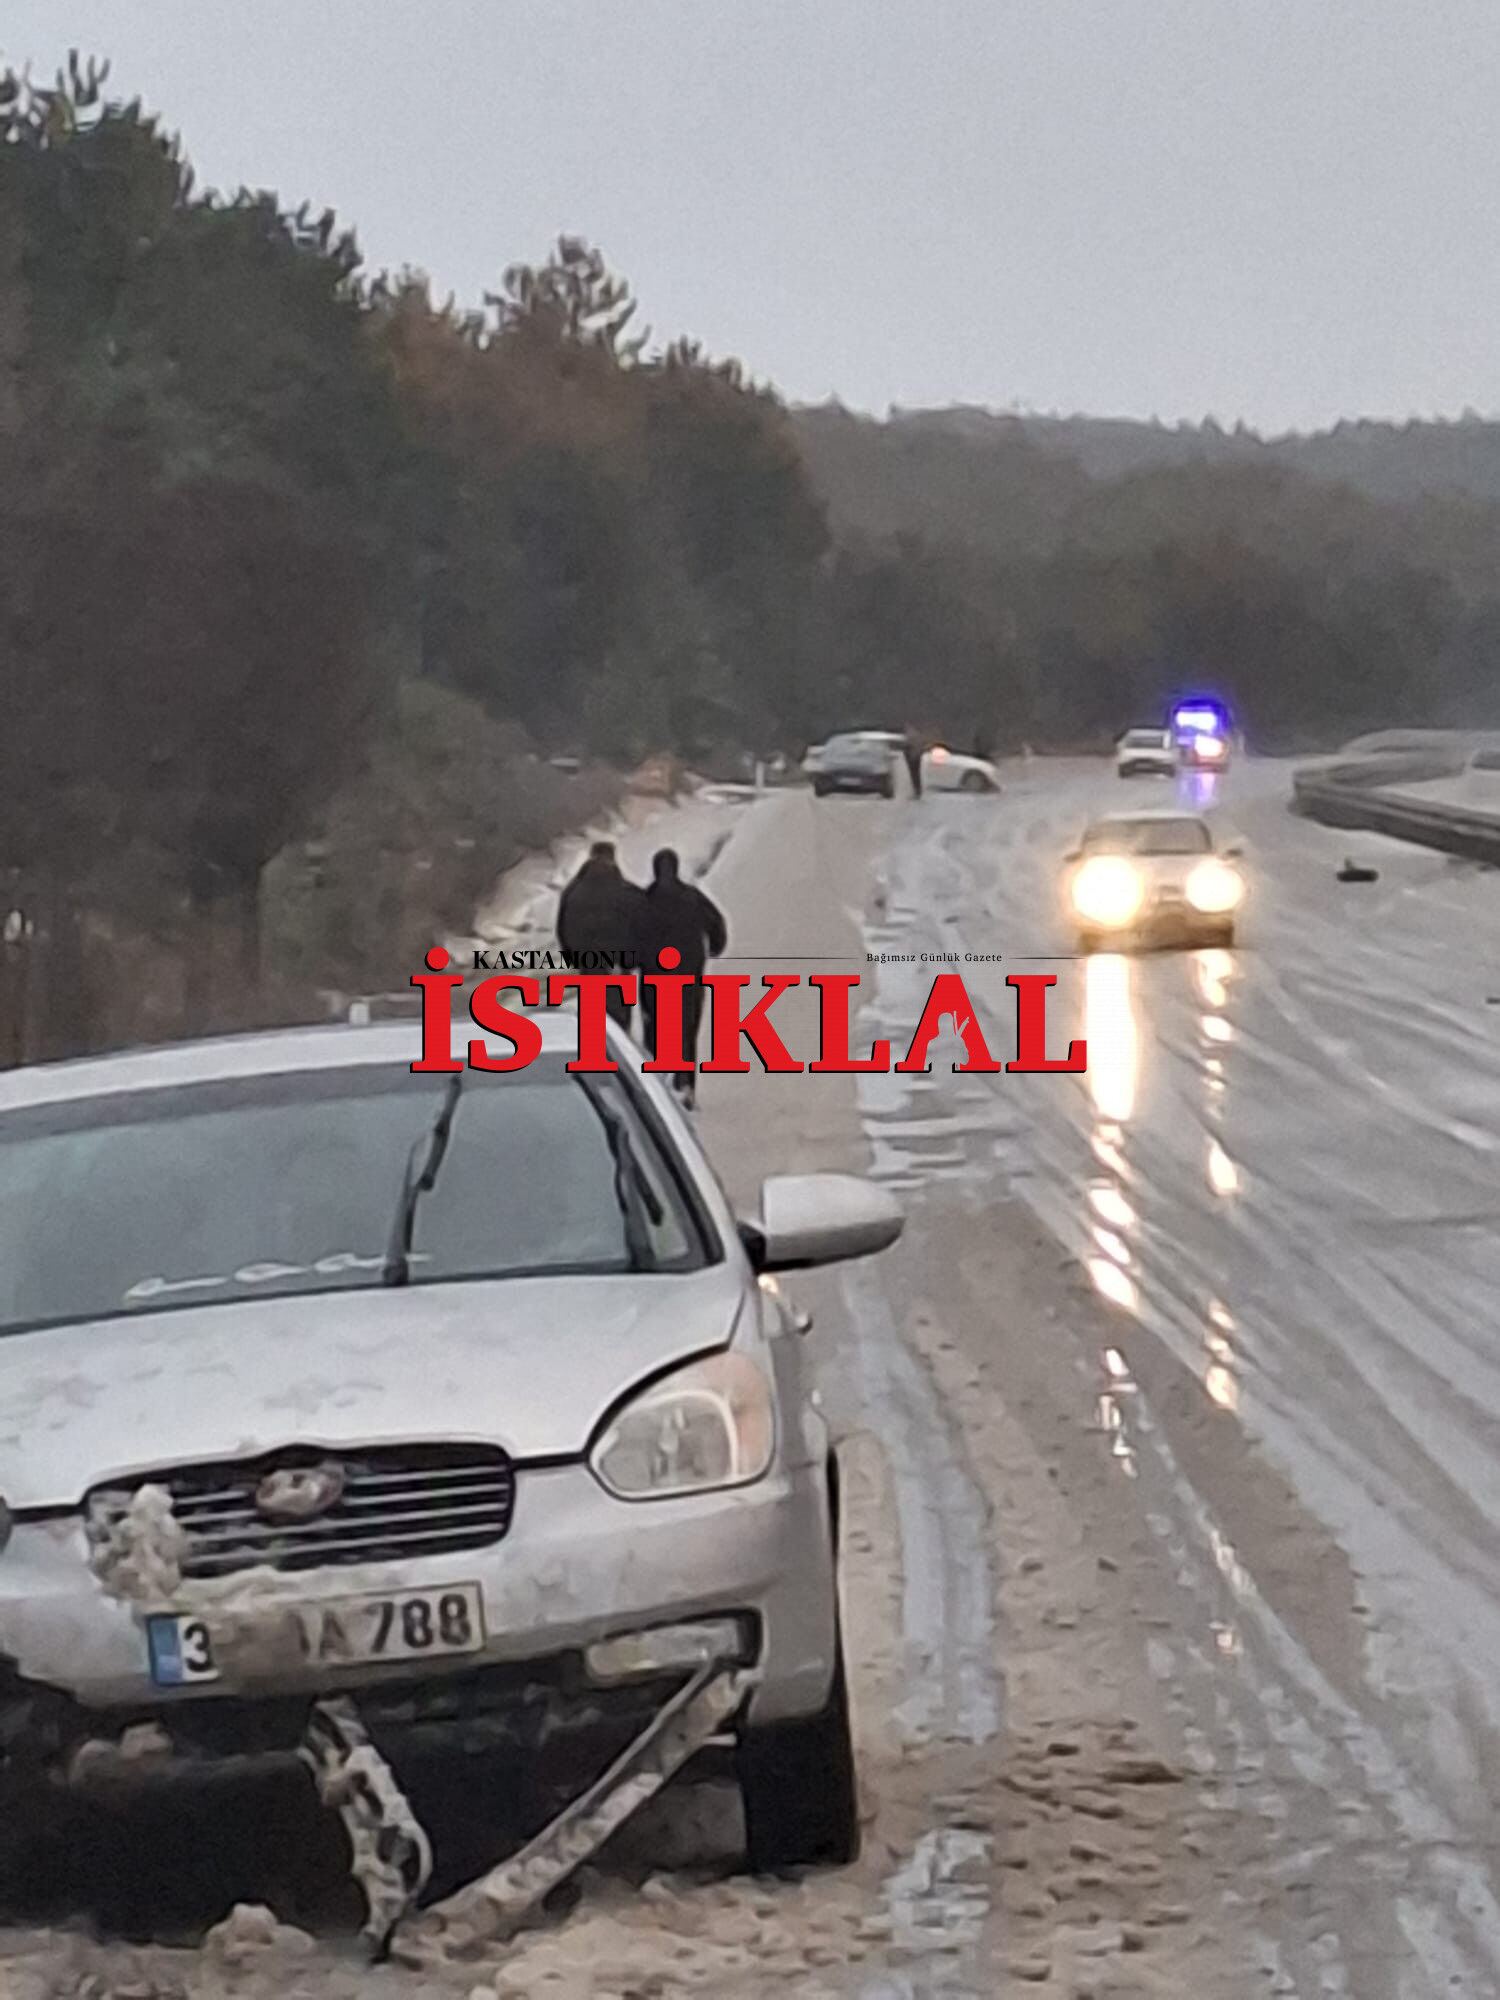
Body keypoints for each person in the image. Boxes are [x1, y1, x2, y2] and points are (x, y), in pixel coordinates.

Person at [641, 848, 727, 1108]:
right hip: (688, 976)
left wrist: (632, 960)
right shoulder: (692, 898)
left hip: (654, 977)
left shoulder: (644, 900)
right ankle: (685, 1084)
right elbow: (717, 924)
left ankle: (659, 1085)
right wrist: (714, 948)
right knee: (685, 1030)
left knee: (655, 1029)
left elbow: (631, 932)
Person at [556, 841, 649, 1034]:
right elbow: (642, 927)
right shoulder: (626, 891)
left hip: (589, 963)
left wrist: (575, 958)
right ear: (613, 859)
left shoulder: (573, 892)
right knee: (618, 1017)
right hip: (618, 964)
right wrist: (634, 959)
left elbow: (564, 928)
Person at [902, 726, 924, 799]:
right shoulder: (918, 736)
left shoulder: (910, 736)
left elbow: (906, 746)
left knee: (914, 775)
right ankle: (918, 790)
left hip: (912, 757)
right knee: (916, 774)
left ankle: (916, 791)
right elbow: (921, 747)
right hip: (917, 757)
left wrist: (907, 752)